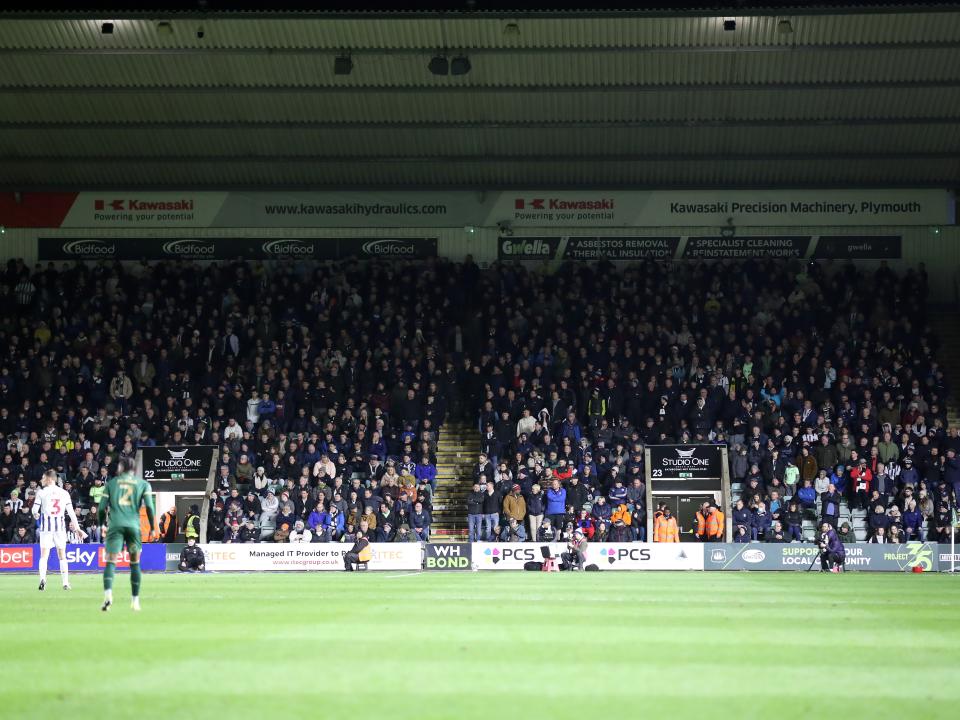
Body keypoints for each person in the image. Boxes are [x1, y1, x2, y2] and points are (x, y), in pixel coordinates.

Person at [97, 458, 156, 612]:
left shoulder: (111, 483)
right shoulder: (143, 484)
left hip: (115, 525)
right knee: (135, 563)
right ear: (134, 469)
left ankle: (108, 595)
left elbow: (102, 508)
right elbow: (149, 507)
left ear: (121, 467)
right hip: (133, 526)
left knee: (111, 561)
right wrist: (152, 527)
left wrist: (102, 524)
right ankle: (135, 601)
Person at [33, 469, 84, 591]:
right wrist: (77, 528)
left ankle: (42, 579)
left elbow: (34, 510)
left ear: (50, 479)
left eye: (43, 478)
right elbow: (71, 513)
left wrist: (36, 515)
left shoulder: (41, 492)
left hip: (46, 528)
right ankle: (65, 583)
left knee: (44, 555)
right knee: (62, 556)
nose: (42, 480)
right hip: (60, 528)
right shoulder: (64, 493)